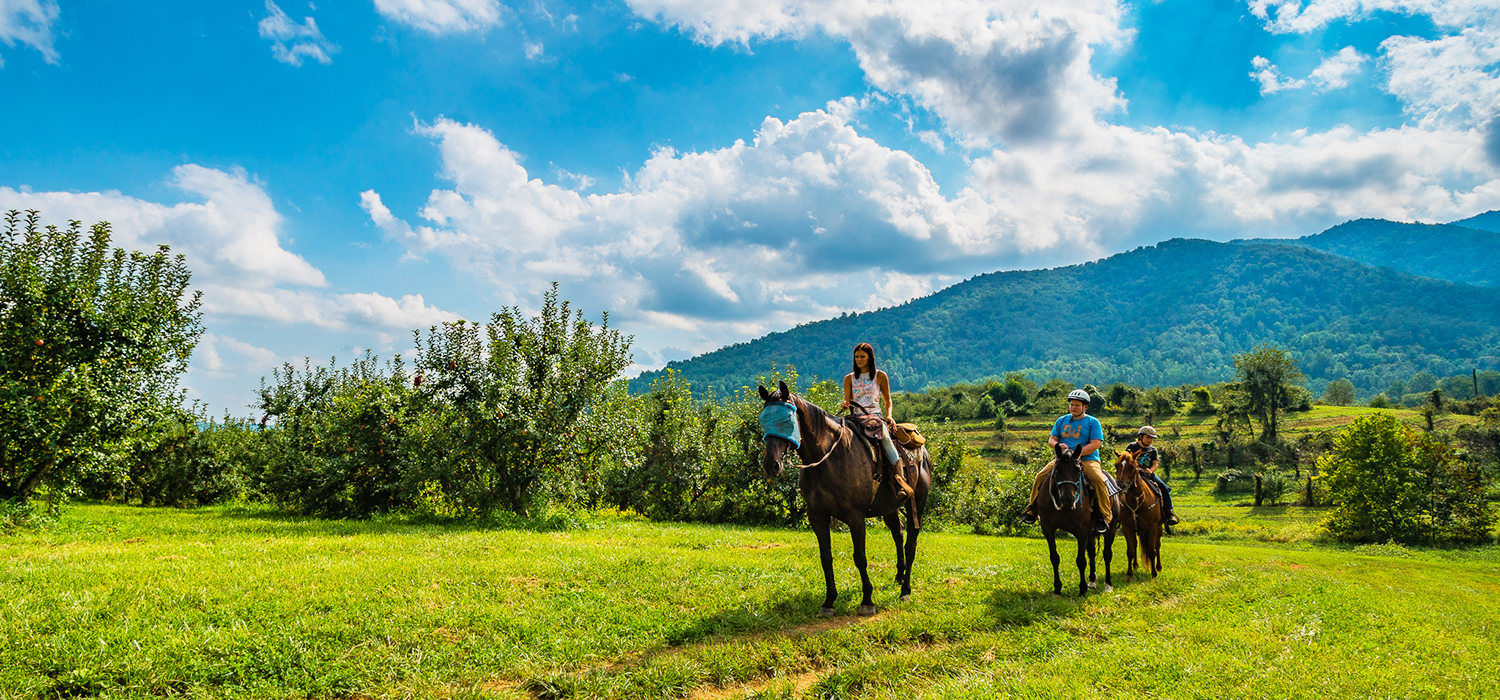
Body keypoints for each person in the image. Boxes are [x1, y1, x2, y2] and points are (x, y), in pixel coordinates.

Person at [1020, 388, 1113, 533]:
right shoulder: (1061, 420)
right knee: (1040, 476)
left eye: (1077, 405)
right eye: (1072, 405)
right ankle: (1031, 510)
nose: (1073, 408)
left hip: (1088, 459)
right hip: (1063, 459)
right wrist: (1057, 445)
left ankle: (1104, 516)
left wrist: (1078, 453)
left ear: (1085, 407)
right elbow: (1052, 438)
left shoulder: (1093, 422)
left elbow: (1096, 444)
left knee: (1099, 481)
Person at [842, 343, 903, 469]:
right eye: (857, 357)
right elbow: (847, 401)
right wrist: (845, 405)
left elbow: (887, 399)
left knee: (885, 439)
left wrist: (889, 416)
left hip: (875, 416)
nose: (859, 359)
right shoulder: (849, 378)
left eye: (862, 357)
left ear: (870, 357)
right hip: (855, 417)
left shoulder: (880, 376)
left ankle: (899, 473)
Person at [1125, 426, 1179, 527]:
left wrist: (1150, 470)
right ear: (1140, 436)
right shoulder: (1131, 446)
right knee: (1119, 486)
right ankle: (1115, 512)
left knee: (1163, 487)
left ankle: (1169, 513)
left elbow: (1155, 464)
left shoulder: (1152, 450)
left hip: (1148, 474)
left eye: (1152, 438)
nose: (1150, 440)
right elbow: (1127, 460)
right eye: (1148, 437)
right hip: (1133, 474)